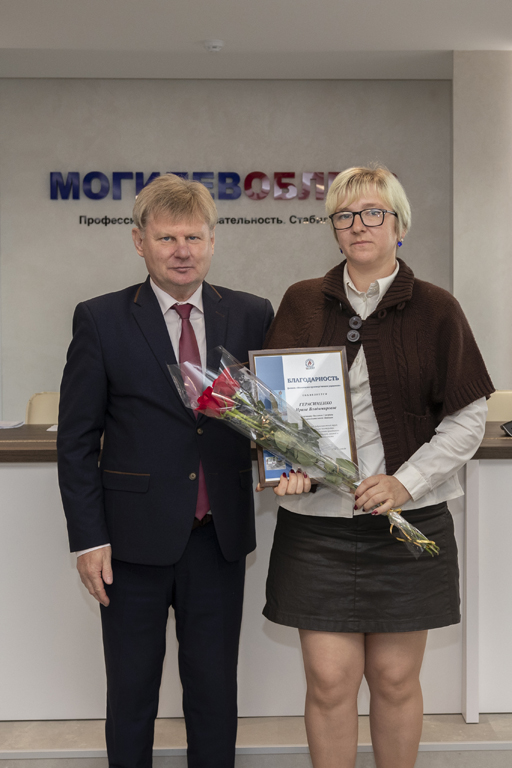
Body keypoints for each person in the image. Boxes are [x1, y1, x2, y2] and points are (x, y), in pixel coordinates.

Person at [261, 166, 494, 768]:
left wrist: (404, 482)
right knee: (329, 682)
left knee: (394, 680)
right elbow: (270, 408)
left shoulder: (438, 309)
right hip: (318, 525)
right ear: (333, 228)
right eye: (344, 215)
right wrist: (283, 462)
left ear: (399, 225)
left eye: (373, 213)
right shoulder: (302, 301)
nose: (358, 225)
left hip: (408, 523)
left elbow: (467, 420)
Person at [57, 173, 273, 768]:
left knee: (214, 695)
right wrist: (89, 539)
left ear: (212, 242)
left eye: (194, 237)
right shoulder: (100, 319)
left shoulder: (252, 314)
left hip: (219, 540)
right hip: (130, 544)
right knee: (131, 696)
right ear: (139, 242)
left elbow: (272, 415)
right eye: (167, 237)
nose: (182, 250)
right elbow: (76, 441)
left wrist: (292, 460)